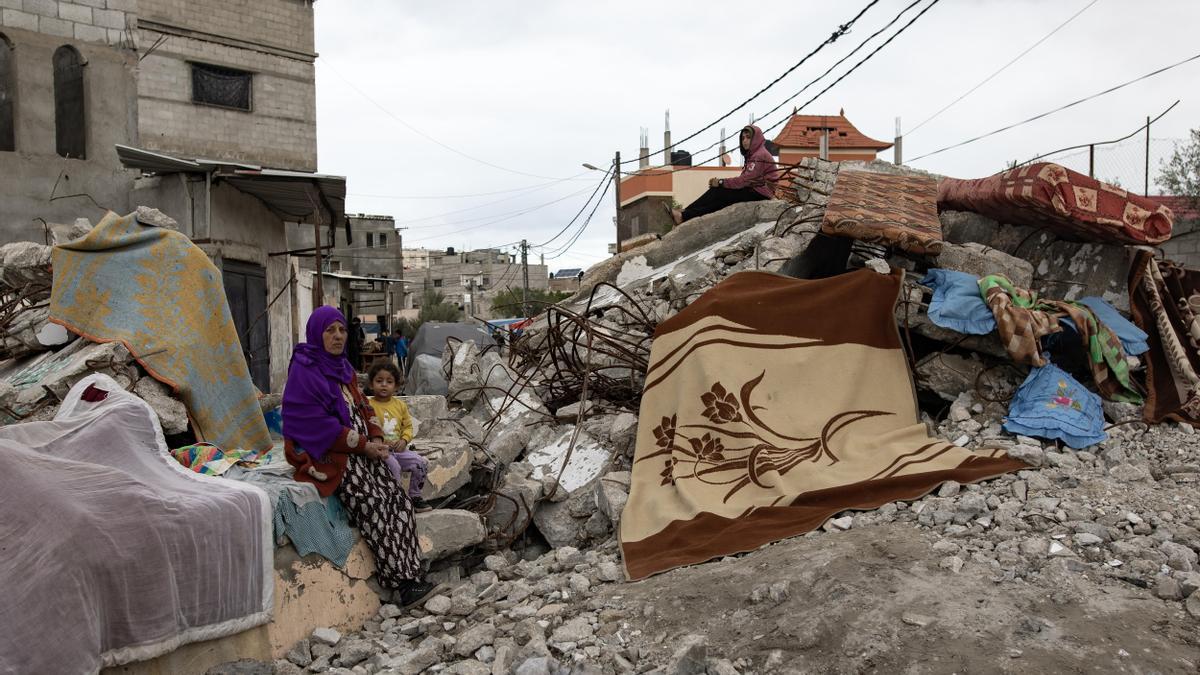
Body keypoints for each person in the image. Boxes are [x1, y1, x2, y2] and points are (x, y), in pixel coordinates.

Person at [281, 306, 435, 606]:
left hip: (362, 449)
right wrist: (363, 445)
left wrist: (376, 438)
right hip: (330, 455)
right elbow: (312, 424)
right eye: (330, 330)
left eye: (341, 330)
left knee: (398, 499)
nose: (338, 336)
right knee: (374, 505)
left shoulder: (344, 369)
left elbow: (364, 406)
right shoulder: (305, 369)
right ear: (316, 333)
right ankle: (403, 585)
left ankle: (412, 572)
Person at [669, 125, 779, 225]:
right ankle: (685, 215)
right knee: (719, 202)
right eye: (743, 138)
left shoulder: (759, 155)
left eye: (748, 137)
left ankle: (684, 213)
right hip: (755, 190)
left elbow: (744, 180)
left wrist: (722, 182)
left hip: (760, 193)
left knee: (717, 191)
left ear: (756, 138)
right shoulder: (754, 155)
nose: (745, 141)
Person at [367, 361, 432, 512]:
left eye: (389, 382)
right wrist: (380, 442)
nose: (384, 385)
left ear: (396, 387)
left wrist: (404, 440)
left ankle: (415, 496)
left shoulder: (400, 405)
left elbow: (408, 427)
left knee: (420, 463)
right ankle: (394, 500)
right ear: (371, 384)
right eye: (379, 381)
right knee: (394, 468)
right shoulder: (368, 405)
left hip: (399, 449)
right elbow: (366, 428)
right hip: (382, 451)